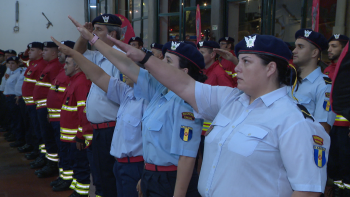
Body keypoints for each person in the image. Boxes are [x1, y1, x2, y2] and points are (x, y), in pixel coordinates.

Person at [97, 33, 330, 196]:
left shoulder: (293, 120)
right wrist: (146, 60)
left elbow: (308, 189)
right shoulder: (231, 100)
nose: (236, 67)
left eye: (246, 62)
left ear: (270, 69)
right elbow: (184, 85)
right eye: (239, 61)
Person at [53, 17, 206, 197]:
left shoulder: (186, 104)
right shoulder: (157, 92)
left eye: (168, 61)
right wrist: (88, 41)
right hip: (149, 174)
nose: (161, 63)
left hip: (169, 179)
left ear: (184, 71)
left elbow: (187, 158)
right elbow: (110, 71)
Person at [72, 13, 124, 196]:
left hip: (112, 128)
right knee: (100, 176)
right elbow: (77, 54)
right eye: (93, 29)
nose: (93, 34)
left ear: (113, 35)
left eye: (98, 30)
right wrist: (83, 34)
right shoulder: (98, 56)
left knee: (108, 177)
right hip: (99, 129)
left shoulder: (122, 60)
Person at [39, 41, 74, 180]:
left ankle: (67, 177)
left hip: (63, 119)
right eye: (59, 51)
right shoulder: (62, 69)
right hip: (54, 117)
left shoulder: (71, 72)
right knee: (60, 149)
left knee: (65, 150)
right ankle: (63, 175)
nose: (60, 54)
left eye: (63, 51)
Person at [58, 56, 93, 197]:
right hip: (69, 136)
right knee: (75, 165)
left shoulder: (81, 83)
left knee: (81, 166)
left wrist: (80, 135)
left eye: (67, 63)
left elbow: (84, 113)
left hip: (75, 137)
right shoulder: (73, 81)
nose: (64, 66)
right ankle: (76, 189)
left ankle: (81, 193)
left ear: (77, 66)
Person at [292, 29, 336, 133]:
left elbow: (322, 130)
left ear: (314, 53)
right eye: (295, 46)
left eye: (300, 47)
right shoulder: (289, 81)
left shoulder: (324, 86)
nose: (294, 51)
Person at [325, 34, 350, 197]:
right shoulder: (328, 69)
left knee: (346, 166)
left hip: (345, 127)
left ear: (343, 47)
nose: (329, 50)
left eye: (334, 46)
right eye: (329, 46)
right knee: (334, 166)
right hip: (331, 126)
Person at [31, 41, 62, 170]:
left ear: (54, 52)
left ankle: (52, 164)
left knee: (49, 137)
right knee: (44, 135)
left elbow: (56, 90)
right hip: (41, 106)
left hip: (47, 108)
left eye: (46, 50)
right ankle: (47, 159)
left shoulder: (55, 66)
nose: (43, 52)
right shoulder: (48, 65)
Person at [21, 42, 47, 160]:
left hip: (37, 104)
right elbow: (23, 59)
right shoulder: (33, 63)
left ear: (40, 52)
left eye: (32, 50)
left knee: (40, 131)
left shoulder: (42, 65)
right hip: (29, 104)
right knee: (33, 129)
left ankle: (41, 154)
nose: (29, 52)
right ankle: (36, 150)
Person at [4, 56, 26, 148]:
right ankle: (14, 134)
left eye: (13, 63)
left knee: (17, 119)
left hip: (14, 98)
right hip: (8, 97)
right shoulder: (11, 73)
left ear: (18, 64)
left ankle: (19, 138)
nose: (10, 65)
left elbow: (19, 87)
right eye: (9, 63)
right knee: (12, 118)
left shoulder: (19, 73)